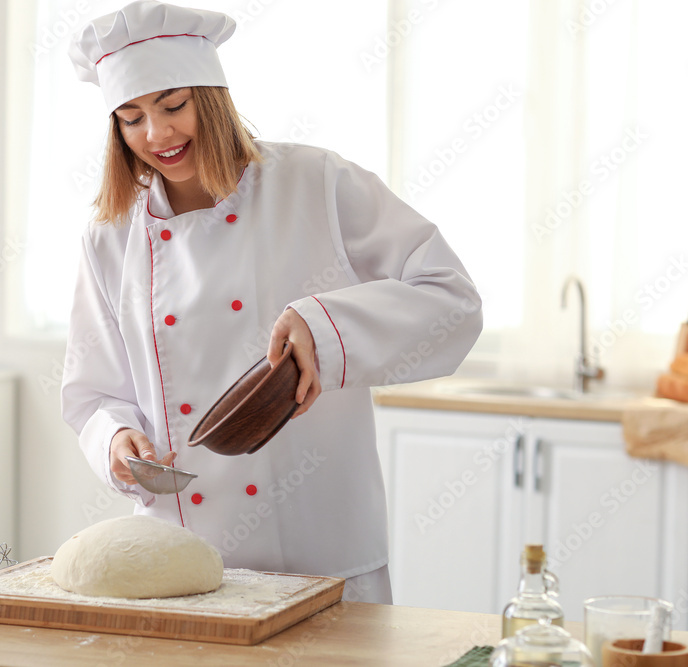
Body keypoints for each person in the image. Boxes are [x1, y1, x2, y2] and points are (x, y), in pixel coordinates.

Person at [60, 0, 482, 603]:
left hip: (320, 549)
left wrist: (328, 326)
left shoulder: (316, 183)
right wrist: (114, 440)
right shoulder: (110, 235)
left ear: (211, 97)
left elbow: (453, 300)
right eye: (130, 117)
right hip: (179, 559)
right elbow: (93, 393)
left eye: (174, 105)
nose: (156, 135)